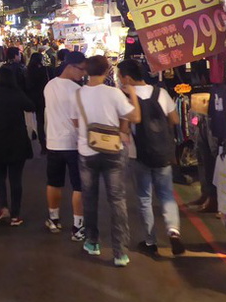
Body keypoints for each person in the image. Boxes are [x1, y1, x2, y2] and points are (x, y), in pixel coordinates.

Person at [74, 56, 140, 267]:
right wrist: (133, 96)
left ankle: (92, 242)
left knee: (90, 198)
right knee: (117, 200)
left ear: (87, 71)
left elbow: (75, 121)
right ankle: (120, 253)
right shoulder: (114, 94)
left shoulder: (78, 94)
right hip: (113, 150)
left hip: (87, 150)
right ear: (107, 71)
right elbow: (135, 117)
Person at [117, 60, 185, 256]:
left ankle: (150, 241)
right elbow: (175, 120)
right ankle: (173, 231)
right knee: (166, 195)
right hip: (162, 152)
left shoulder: (126, 98)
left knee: (144, 198)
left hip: (138, 154)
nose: (120, 80)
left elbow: (124, 128)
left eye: (120, 76)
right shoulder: (161, 93)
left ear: (127, 78)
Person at [0, 65, 34, 226]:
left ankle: (3, 207)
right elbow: (31, 106)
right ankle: (16, 215)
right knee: (16, 179)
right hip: (17, 142)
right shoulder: (17, 95)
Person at [43, 51, 88, 239]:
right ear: (70, 66)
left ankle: (53, 219)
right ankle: (78, 227)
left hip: (53, 142)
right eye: (82, 69)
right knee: (78, 186)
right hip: (73, 144)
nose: (83, 73)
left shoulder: (49, 86)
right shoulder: (76, 90)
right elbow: (77, 121)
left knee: (54, 182)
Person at [26, 51, 49, 153]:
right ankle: (46, 144)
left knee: (37, 121)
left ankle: (41, 143)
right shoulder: (44, 70)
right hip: (44, 98)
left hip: (33, 99)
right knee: (43, 121)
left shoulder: (28, 71)